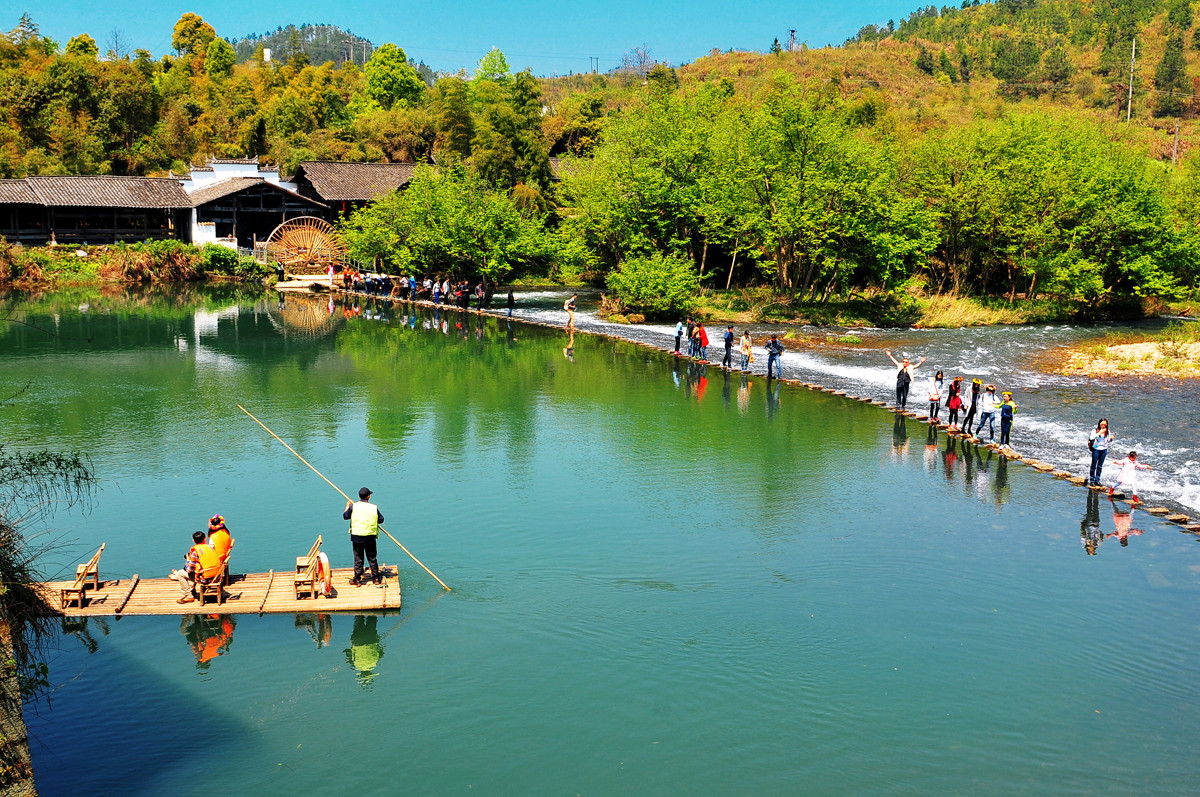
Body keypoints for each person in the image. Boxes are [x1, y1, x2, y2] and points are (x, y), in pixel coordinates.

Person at [169, 531, 223, 604]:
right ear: (205, 539)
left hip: (206, 579)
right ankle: (192, 588)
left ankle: (188, 596)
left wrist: (188, 560)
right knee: (196, 569)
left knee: (180, 573)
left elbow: (189, 570)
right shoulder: (211, 547)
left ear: (193, 541)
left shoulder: (195, 552)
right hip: (217, 576)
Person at [343, 487, 383, 586]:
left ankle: (357, 579)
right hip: (370, 537)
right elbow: (381, 520)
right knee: (372, 558)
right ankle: (375, 578)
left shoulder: (354, 507)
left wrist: (348, 506)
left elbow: (345, 516)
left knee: (358, 558)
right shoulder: (373, 507)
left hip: (357, 537)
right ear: (368, 497)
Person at [1088, 418, 1113, 486]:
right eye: (1102, 424)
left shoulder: (1108, 431)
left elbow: (1108, 441)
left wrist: (1111, 438)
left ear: (1106, 424)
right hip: (1096, 449)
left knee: (1100, 466)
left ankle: (1097, 480)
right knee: (1094, 465)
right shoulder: (1095, 430)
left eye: (1105, 424)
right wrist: (1099, 433)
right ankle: (1092, 480)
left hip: (1104, 449)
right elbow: (1091, 438)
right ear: (1099, 423)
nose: (1103, 425)